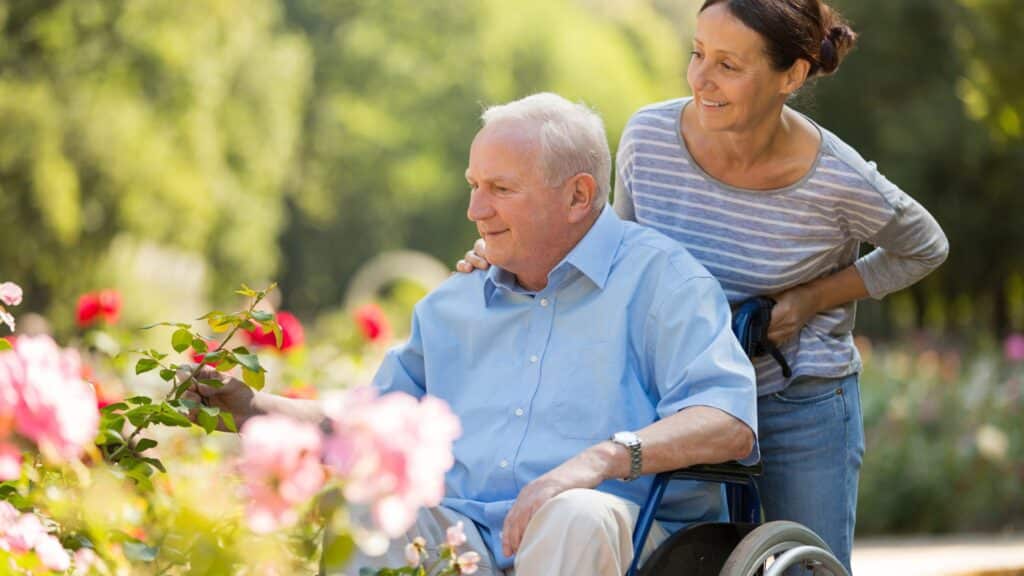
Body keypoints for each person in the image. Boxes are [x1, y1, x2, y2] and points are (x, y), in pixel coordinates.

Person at [458, 1, 949, 572]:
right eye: (697, 54)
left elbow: (925, 246)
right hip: (676, 392)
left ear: (790, 75)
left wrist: (812, 299)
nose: (701, 79)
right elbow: (615, 255)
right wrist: (508, 252)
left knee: (804, 570)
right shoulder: (651, 137)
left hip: (794, 391)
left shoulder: (837, 178)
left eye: (729, 66)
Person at [192, 93, 759, 576]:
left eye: (501, 189)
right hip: (468, 536)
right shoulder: (452, 306)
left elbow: (729, 422)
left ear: (579, 196)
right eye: (473, 185)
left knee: (574, 513)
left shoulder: (662, 282)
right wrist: (254, 406)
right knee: (365, 506)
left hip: (624, 541)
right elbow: (373, 423)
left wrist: (598, 461)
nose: (475, 209)